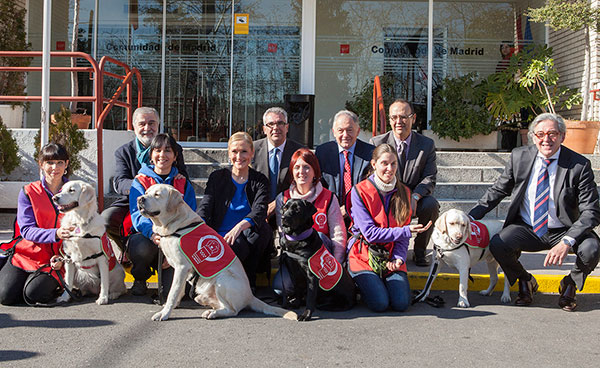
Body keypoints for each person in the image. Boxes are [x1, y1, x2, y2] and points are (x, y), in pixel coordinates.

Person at [469, 113, 600, 311]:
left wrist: (567, 241)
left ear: (563, 136)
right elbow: (498, 190)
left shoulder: (579, 165)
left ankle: (569, 285)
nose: (546, 139)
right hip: (527, 227)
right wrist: (470, 217)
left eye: (552, 133)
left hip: (564, 229)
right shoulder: (519, 156)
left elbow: (591, 211)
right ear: (532, 137)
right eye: (540, 134)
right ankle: (526, 280)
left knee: (592, 248)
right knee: (498, 243)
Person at [347, 144, 431, 312]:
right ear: (374, 164)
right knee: (380, 304)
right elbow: (370, 234)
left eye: (393, 164)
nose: (389, 168)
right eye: (384, 163)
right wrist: (406, 230)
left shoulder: (405, 192)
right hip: (363, 256)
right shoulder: (359, 191)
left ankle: (380, 283)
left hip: (391, 256)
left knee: (401, 304)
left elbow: (403, 238)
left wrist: (398, 258)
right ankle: (362, 283)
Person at [101, 107, 188, 254]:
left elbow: (184, 177)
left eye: (152, 123)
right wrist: (141, 186)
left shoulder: (174, 148)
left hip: (165, 201)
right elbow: (119, 182)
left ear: (158, 125)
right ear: (134, 127)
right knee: (106, 219)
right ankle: (127, 251)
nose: (147, 128)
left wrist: (179, 178)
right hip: (133, 200)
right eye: (142, 124)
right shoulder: (123, 152)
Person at [0, 143, 73, 305]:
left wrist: (64, 257)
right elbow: (26, 230)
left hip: (57, 258)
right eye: (50, 163)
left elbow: (79, 230)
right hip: (27, 253)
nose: (55, 167)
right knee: (5, 297)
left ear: (66, 164)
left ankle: (52, 285)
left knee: (33, 294)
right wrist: (55, 233)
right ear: (41, 164)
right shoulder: (28, 191)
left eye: (60, 162)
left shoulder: (75, 192)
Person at [198, 132, 272, 290]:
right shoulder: (217, 177)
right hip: (220, 235)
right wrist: (200, 229)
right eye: (234, 151)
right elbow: (205, 205)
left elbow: (259, 211)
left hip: (246, 235)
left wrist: (238, 227)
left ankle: (248, 281)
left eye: (244, 151)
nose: (239, 156)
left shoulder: (259, 180)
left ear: (252, 153)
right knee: (235, 244)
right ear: (228, 153)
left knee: (261, 231)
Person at [370, 99, 438, 267]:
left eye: (403, 117)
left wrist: (415, 196)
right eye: (394, 117)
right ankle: (383, 249)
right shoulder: (377, 143)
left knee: (430, 205)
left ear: (413, 118)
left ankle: (420, 251)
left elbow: (430, 177)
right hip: (387, 198)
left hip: (414, 198)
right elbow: (371, 177)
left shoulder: (426, 145)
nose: (398, 122)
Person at [128, 134, 197, 296]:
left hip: (176, 241)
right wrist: (153, 234)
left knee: (176, 294)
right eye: (157, 150)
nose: (162, 155)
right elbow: (137, 216)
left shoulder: (183, 183)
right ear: (151, 155)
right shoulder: (140, 181)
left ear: (175, 156)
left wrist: (173, 249)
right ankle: (140, 278)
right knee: (140, 246)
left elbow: (191, 218)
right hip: (150, 239)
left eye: (168, 151)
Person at [276, 148, 347, 263]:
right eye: (297, 167)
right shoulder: (283, 198)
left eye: (307, 167)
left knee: (317, 234)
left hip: (322, 259)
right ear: (292, 172)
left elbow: (338, 235)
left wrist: (336, 265)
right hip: (294, 258)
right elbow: (283, 233)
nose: (301, 171)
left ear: (315, 171)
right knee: (280, 282)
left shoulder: (328, 198)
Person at [316, 110, 374, 224]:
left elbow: (371, 188)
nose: (345, 135)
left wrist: (349, 208)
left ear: (358, 131)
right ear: (334, 132)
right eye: (340, 130)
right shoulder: (322, 152)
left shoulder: (370, 153)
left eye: (350, 130)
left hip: (361, 215)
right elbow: (318, 184)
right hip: (329, 214)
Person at [252, 107, 305, 217]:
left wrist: (277, 203)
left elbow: (304, 184)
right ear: (264, 129)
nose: (276, 128)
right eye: (270, 124)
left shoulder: (300, 152)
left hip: (290, 213)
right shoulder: (252, 150)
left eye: (280, 123)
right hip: (257, 213)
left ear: (287, 127)